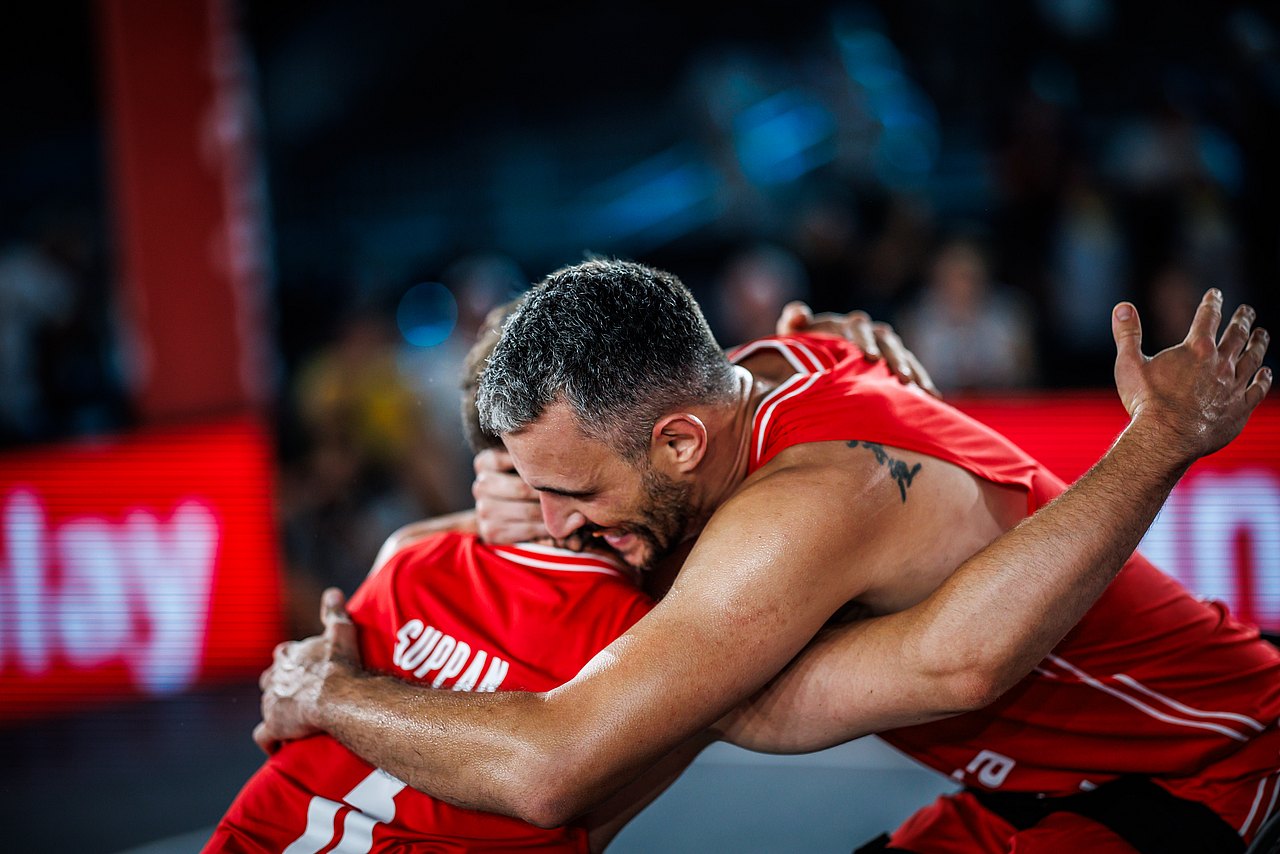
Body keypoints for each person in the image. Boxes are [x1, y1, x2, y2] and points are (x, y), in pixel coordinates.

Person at [257, 260, 1273, 851]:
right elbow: (759, 695)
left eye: (570, 495)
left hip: (1201, 768)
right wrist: (517, 498)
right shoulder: (742, 378)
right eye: (531, 486)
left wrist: (327, 692)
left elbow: (555, 766)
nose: (556, 525)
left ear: (680, 443)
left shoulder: (803, 502)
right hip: (1025, 784)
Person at [211, 300, 926, 852]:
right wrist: (834, 374)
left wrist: (329, 692)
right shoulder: (674, 638)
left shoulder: (410, 558)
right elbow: (948, 665)